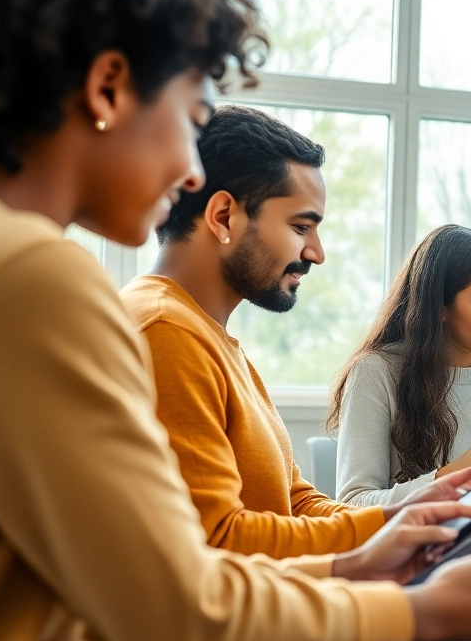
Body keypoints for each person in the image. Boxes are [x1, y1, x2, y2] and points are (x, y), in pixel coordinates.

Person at [0, 0, 471, 641]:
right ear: (109, 86)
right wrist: (417, 612)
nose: (188, 168)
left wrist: (359, 558)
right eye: (191, 119)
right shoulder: (36, 276)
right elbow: (186, 615)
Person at [121, 105, 433, 558]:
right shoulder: (165, 332)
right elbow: (216, 541)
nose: (317, 253)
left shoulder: (211, 339)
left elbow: (295, 502)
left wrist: (412, 516)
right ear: (224, 216)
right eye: (300, 226)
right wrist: (389, 531)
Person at [331, 225, 471, 507]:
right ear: (439, 305)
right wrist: (451, 477)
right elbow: (353, 504)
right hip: (416, 548)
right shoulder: (375, 372)